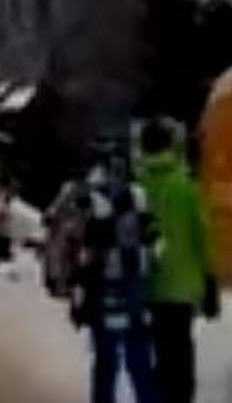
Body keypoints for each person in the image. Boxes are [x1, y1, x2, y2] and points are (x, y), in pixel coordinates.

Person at [66, 148, 161, 403]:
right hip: (135, 285)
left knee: (106, 361)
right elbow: (154, 237)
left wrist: (77, 293)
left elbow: (80, 248)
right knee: (139, 359)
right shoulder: (140, 197)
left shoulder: (93, 201)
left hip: (103, 286)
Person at [138, 118, 216, 403]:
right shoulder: (186, 187)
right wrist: (210, 278)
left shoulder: (137, 187)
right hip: (183, 287)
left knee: (155, 347)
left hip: (146, 282)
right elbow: (203, 235)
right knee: (180, 351)